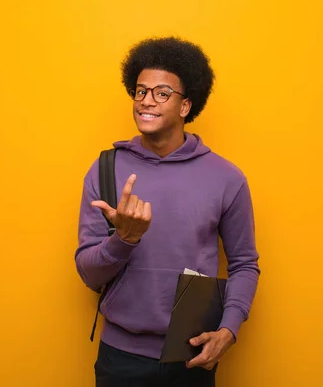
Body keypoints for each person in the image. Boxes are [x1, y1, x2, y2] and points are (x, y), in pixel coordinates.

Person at [75, 36, 260, 386]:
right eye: (140, 91)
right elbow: (88, 274)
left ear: (185, 105)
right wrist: (124, 240)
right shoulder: (104, 169)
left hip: (191, 353)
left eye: (161, 93)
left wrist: (229, 330)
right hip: (120, 359)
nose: (146, 101)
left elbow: (244, 263)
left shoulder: (226, 178)